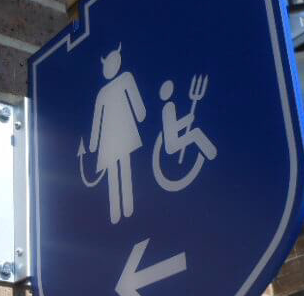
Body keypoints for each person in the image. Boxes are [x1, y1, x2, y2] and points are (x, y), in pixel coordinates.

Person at [89, 47, 146, 224]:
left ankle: (127, 209)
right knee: (114, 172)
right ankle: (117, 213)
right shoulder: (102, 93)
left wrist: (140, 113)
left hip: (122, 132)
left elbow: (136, 101)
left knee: (124, 167)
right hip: (110, 137)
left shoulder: (126, 78)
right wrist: (93, 144)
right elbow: (97, 118)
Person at [159, 79, 217, 162]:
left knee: (196, 132)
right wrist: (188, 119)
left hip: (174, 141)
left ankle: (211, 153)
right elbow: (171, 129)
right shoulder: (168, 107)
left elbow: (173, 128)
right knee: (196, 133)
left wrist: (187, 120)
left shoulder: (169, 106)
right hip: (172, 145)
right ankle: (211, 153)